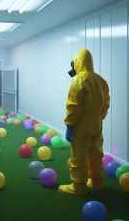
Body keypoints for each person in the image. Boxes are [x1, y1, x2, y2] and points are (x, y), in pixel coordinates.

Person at [58, 49, 110, 196]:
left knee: (78, 155)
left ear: (77, 62)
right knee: (96, 153)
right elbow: (106, 102)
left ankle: (78, 186)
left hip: (82, 125)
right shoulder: (101, 80)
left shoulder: (78, 80)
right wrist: (100, 117)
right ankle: (96, 182)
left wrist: (70, 126)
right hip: (97, 124)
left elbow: (73, 106)